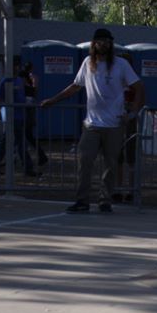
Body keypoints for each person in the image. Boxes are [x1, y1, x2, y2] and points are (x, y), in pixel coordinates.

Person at [40, 28, 144, 213]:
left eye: (107, 41)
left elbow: (139, 87)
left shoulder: (121, 64)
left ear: (111, 44)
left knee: (111, 164)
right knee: (85, 160)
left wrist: (133, 113)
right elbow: (75, 86)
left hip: (114, 124)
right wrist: (53, 100)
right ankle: (82, 201)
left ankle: (105, 200)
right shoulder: (88, 63)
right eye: (100, 41)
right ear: (94, 43)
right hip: (92, 124)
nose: (104, 44)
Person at [0, 57, 36, 177]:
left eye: (17, 66)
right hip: (10, 117)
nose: (16, 68)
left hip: (19, 116)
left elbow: (21, 96)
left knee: (12, 143)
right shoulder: (5, 82)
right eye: (13, 66)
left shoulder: (19, 80)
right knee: (15, 143)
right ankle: (27, 168)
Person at [19, 60, 48, 168]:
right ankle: (38, 157)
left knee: (26, 135)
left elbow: (30, 92)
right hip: (27, 107)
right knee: (26, 135)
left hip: (26, 108)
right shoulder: (31, 78)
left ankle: (36, 158)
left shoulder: (28, 78)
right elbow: (34, 93)